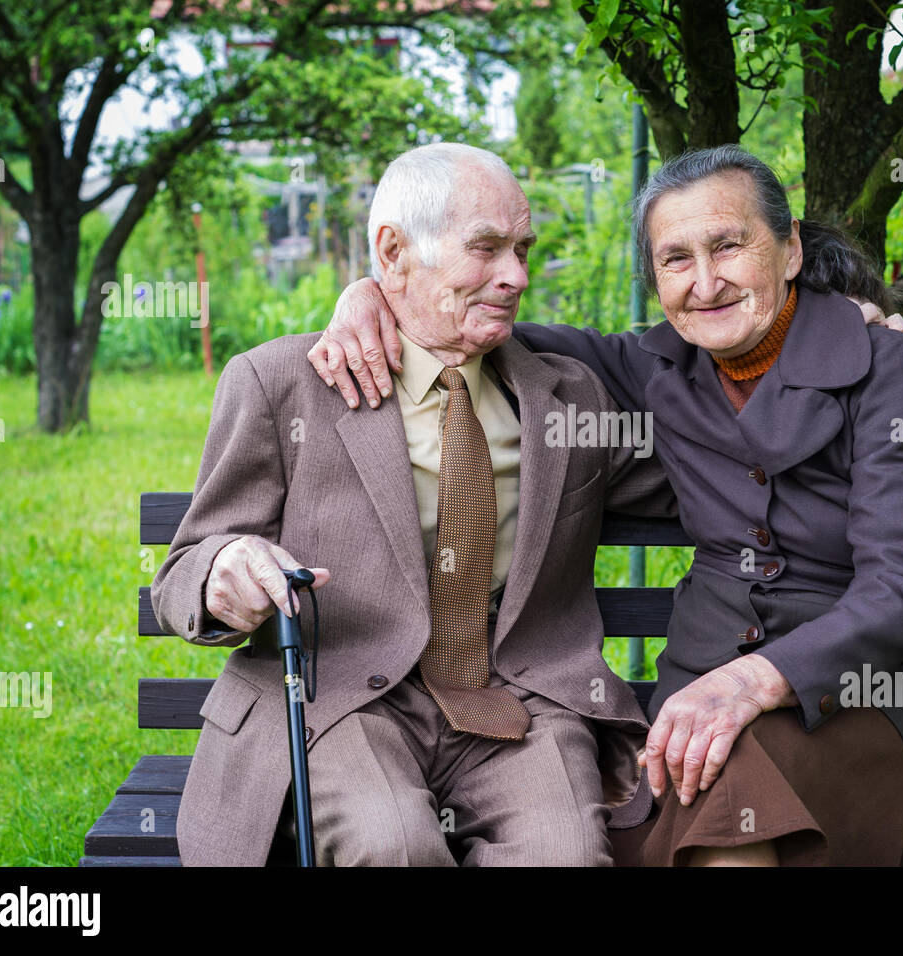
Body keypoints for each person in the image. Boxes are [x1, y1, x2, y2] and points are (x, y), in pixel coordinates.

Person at [311, 144, 903, 867]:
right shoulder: (656, 368)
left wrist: (751, 682)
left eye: (729, 245)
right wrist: (370, 292)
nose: (705, 282)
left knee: (729, 802)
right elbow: (469, 324)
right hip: (701, 689)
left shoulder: (883, 366)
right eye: (676, 260)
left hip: (875, 687)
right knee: (665, 816)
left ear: (790, 247)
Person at [150, 142, 677, 866]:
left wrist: (822, 340)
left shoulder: (567, 396)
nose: (516, 276)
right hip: (340, 700)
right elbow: (190, 561)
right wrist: (225, 571)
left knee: (565, 854)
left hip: (514, 697)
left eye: (523, 248)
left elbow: (705, 465)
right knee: (391, 844)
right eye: (486, 248)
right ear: (393, 252)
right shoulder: (282, 385)